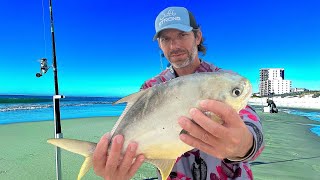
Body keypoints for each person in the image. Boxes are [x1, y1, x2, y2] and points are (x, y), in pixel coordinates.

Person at [93, 6, 265, 180]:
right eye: (166, 39)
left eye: (182, 35)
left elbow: (251, 126)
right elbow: (135, 131)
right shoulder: (151, 87)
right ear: (160, 44)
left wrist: (244, 144)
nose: (174, 45)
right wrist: (115, 163)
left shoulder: (225, 81)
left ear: (197, 37)